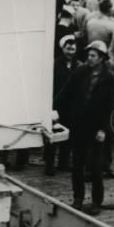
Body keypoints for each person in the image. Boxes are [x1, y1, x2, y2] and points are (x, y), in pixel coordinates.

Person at [64, 40, 114, 213]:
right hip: (79, 124)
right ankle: (78, 198)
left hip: (96, 128)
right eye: (88, 55)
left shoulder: (108, 77)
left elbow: (110, 105)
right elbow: (66, 91)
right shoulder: (81, 71)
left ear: (101, 58)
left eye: (93, 56)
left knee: (96, 167)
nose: (89, 58)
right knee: (77, 165)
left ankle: (96, 202)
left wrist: (103, 129)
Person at [45, 35, 78, 175]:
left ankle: (63, 162)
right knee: (52, 135)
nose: (70, 51)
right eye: (68, 48)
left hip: (71, 105)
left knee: (68, 134)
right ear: (62, 48)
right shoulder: (55, 64)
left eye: (73, 48)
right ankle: (49, 164)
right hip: (57, 104)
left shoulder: (79, 65)